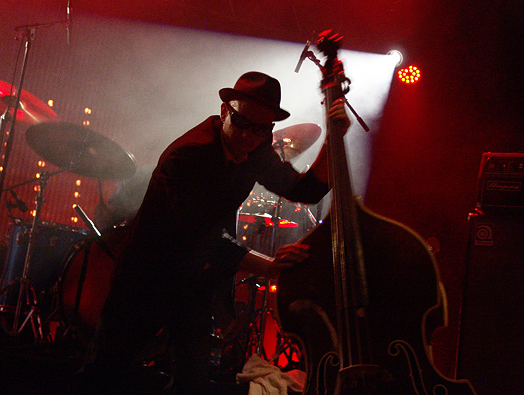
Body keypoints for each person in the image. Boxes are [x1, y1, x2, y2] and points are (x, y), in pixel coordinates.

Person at [76, 71, 350, 394]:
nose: (249, 135)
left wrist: (334, 138)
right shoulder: (188, 154)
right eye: (242, 122)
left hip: (193, 281)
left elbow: (306, 190)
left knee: (191, 382)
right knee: (103, 374)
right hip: (147, 276)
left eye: (261, 129)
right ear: (224, 112)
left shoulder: (257, 149)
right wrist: (268, 266)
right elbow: (201, 235)